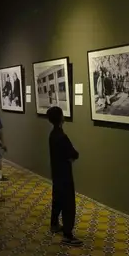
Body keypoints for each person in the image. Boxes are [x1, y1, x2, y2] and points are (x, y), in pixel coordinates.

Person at [47, 106, 82, 247]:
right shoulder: (62, 137)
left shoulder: (52, 134)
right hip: (64, 174)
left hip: (56, 172)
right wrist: (72, 156)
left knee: (57, 199)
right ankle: (68, 235)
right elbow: (74, 154)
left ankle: (54, 224)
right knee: (68, 204)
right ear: (61, 117)